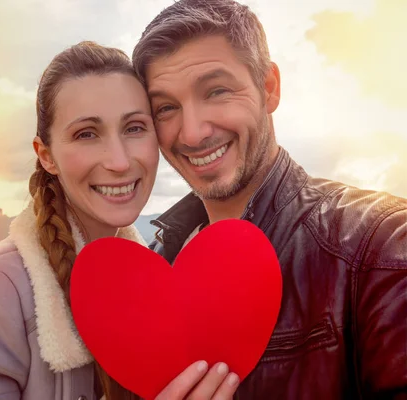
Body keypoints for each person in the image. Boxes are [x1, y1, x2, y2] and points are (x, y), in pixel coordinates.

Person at [0, 41, 240, 400]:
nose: (119, 161)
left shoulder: (148, 285)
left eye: (135, 127)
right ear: (46, 156)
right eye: (86, 134)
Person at [132, 0, 407, 399]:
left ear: (269, 87)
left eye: (217, 91)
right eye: (166, 108)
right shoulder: (162, 262)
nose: (191, 133)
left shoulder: (379, 248)